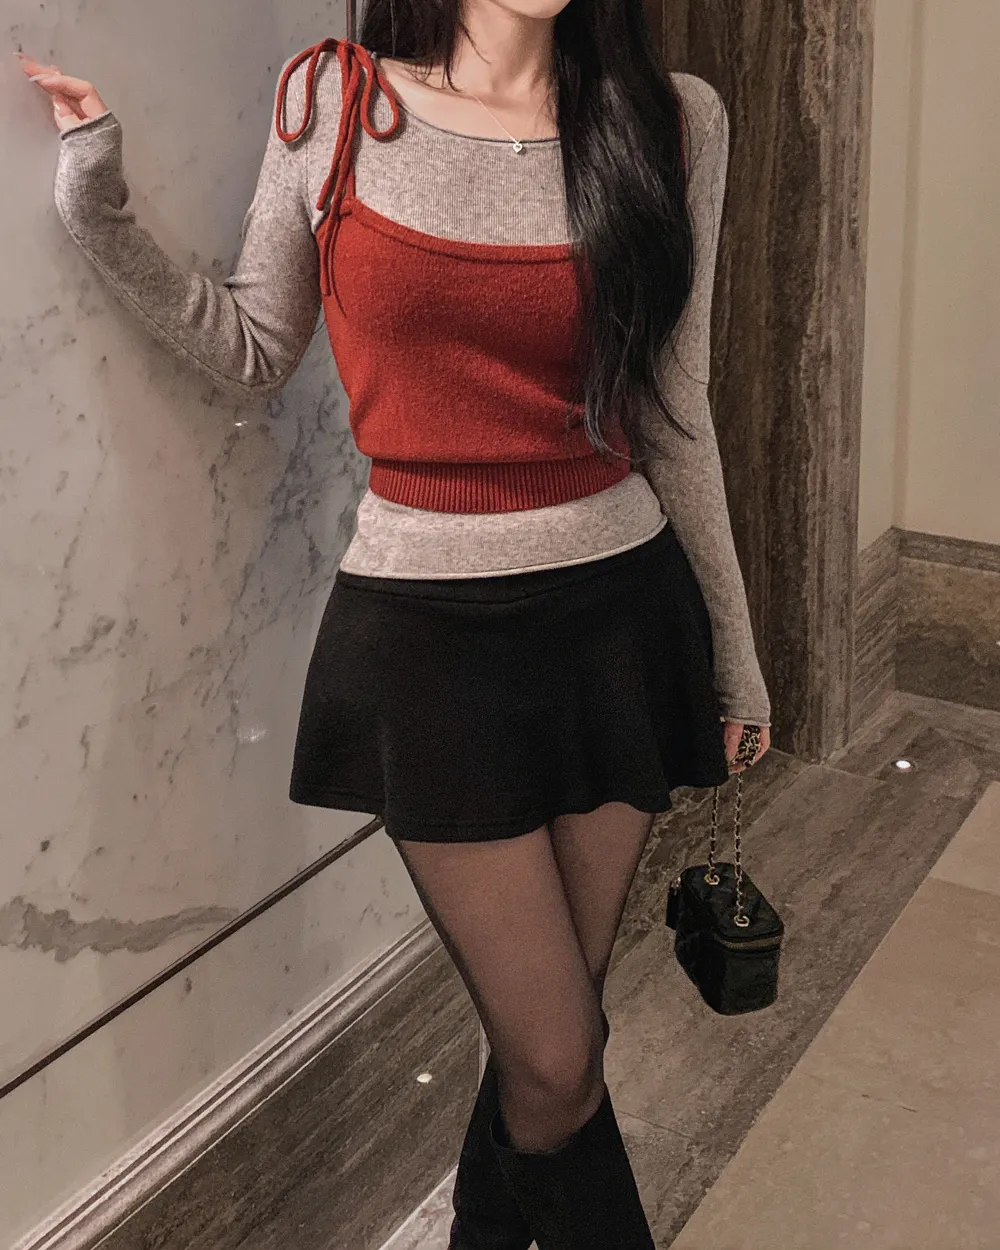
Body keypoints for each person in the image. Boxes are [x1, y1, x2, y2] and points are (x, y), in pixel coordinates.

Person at [18, 2, 771, 1245]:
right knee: (555, 1055)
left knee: (555, 1046)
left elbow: (673, 409)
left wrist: (735, 658)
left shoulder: (675, 122)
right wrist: (97, 204)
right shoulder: (336, 105)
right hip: (430, 643)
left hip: (619, 618)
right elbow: (254, 345)